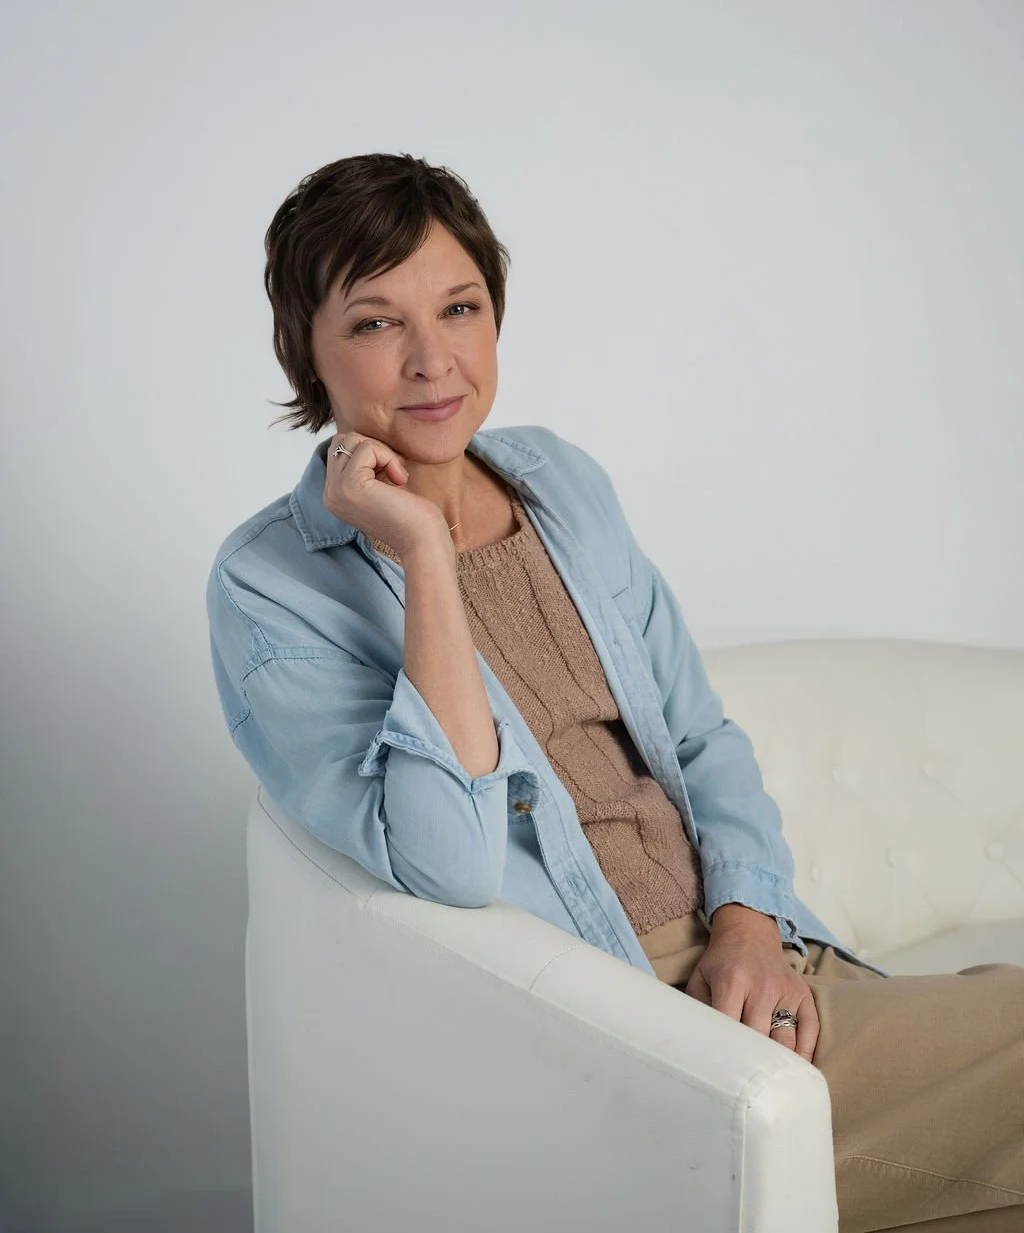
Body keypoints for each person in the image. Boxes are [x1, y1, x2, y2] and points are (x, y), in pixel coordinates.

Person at [206, 152, 1024, 1233]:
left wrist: (746, 923)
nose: (430, 359)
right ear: (304, 352)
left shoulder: (559, 481)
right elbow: (446, 861)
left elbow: (700, 738)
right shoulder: (271, 585)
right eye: (372, 324)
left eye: (459, 307)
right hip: (627, 1019)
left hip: (757, 959)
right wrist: (422, 561)